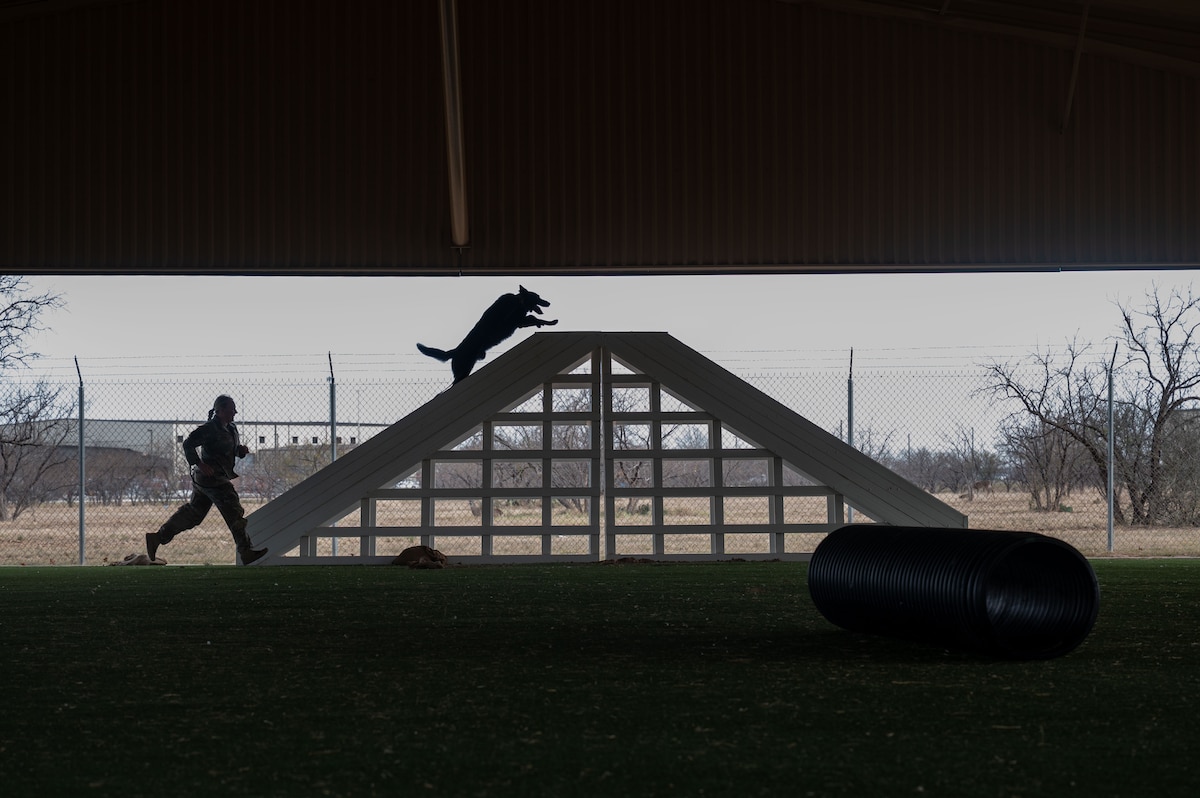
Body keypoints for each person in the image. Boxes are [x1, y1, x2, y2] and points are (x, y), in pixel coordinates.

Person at [146, 395, 267, 565]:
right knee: (233, 510)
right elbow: (188, 444)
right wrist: (199, 463)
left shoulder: (231, 428)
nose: (235, 412)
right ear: (220, 410)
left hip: (211, 479)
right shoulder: (209, 428)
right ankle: (246, 551)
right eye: (232, 409)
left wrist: (240, 451)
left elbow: (230, 449)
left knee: (194, 514)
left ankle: (158, 537)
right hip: (212, 479)